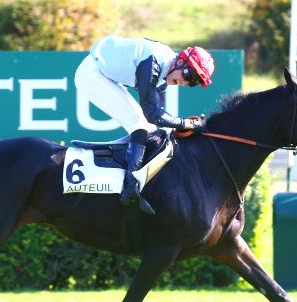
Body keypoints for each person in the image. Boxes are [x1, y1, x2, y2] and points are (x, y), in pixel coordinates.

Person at [74, 35, 215, 214]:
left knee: (148, 130)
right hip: (92, 75)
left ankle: (132, 185)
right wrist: (186, 123)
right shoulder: (153, 62)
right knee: (139, 124)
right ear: (180, 61)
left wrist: (180, 126)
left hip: (104, 73)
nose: (184, 82)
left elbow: (158, 117)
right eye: (189, 75)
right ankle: (129, 190)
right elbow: (152, 114)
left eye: (192, 82)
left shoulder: (165, 70)